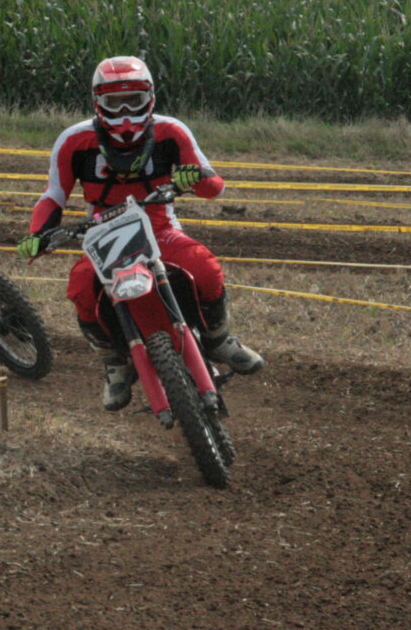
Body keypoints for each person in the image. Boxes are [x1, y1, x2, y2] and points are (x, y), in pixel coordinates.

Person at [16, 56, 264, 410]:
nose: (125, 111)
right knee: (81, 289)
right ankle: (114, 363)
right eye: (114, 102)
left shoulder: (171, 131)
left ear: (150, 97)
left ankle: (218, 338)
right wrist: (38, 234)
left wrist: (195, 179)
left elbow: (216, 187)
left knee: (206, 268)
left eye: (133, 100)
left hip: (159, 226)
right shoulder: (74, 140)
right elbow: (54, 195)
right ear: (97, 102)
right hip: (104, 234)